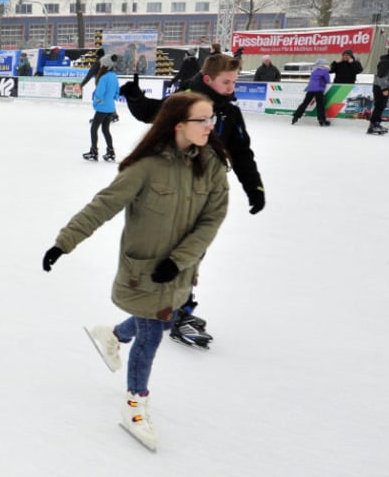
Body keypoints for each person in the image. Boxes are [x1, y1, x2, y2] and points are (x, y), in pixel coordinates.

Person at [42, 92, 230, 451]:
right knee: (152, 334)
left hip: (179, 270)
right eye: (202, 120)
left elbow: (213, 218)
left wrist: (180, 259)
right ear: (179, 124)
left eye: (211, 119)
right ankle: (135, 404)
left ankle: (112, 333)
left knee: (160, 320)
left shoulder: (212, 165)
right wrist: (64, 243)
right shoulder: (146, 166)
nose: (211, 126)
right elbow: (104, 205)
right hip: (142, 272)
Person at [119, 53, 264, 348]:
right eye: (227, 82)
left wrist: (255, 187)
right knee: (172, 253)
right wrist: (134, 97)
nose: (231, 87)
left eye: (235, 82)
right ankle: (171, 310)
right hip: (170, 189)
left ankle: (173, 309)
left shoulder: (228, 112)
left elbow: (241, 152)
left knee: (191, 253)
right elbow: (152, 113)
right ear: (209, 79)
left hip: (205, 193)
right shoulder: (185, 102)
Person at [83, 52, 120, 162]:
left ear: (105, 65)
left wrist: (96, 104)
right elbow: (117, 92)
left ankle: (94, 152)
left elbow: (99, 94)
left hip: (102, 108)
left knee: (94, 128)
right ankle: (110, 152)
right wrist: (111, 99)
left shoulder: (103, 78)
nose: (100, 65)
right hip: (110, 108)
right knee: (105, 130)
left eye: (102, 63)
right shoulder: (114, 76)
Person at [291, 59, 332, 126]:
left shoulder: (314, 71)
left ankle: (295, 117)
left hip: (310, 89)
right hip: (319, 89)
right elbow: (328, 81)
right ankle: (322, 120)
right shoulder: (325, 71)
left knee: (305, 103)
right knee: (320, 104)